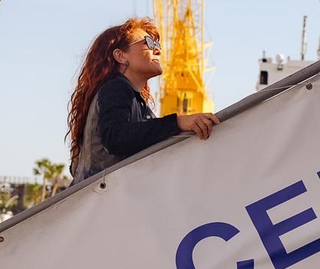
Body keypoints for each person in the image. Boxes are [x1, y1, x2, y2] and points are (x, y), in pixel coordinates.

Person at [67, 17, 219, 181]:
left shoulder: (132, 99)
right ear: (121, 56)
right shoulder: (116, 88)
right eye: (149, 42)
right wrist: (177, 123)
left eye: (157, 45)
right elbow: (115, 137)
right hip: (105, 198)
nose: (158, 50)